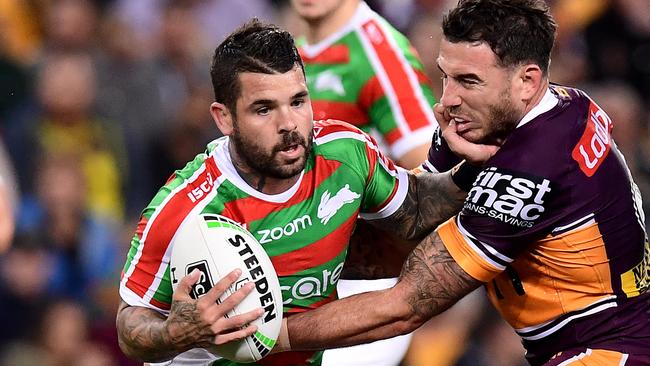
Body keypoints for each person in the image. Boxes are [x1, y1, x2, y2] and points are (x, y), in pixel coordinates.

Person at [273, 1, 650, 365]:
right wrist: (274, 261)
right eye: (445, 76)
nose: (446, 100)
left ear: (527, 81)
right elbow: (410, 224)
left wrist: (269, 335)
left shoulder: (534, 163)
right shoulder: (521, 114)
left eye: (468, 81)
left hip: (610, 350)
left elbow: (406, 306)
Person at [115, 19, 491, 366]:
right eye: (264, 109)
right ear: (223, 117)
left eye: (298, 101)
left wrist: (480, 164)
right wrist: (172, 332)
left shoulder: (347, 154)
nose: (289, 124)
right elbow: (129, 325)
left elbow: (416, 209)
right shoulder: (183, 208)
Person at [290, 1, 440, 364]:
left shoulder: (379, 52)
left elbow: (435, 173)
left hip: (362, 287)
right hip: (299, 273)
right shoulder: (290, 51)